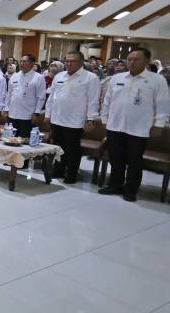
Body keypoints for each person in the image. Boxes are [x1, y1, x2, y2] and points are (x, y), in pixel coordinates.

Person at [99, 48, 169, 202]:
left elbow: (163, 104)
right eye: (129, 59)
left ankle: (130, 190)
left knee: (134, 161)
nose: (131, 62)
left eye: (136, 59)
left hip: (139, 128)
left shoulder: (157, 80)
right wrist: (104, 119)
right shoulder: (117, 78)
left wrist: (158, 124)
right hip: (115, 125)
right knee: (116, 159)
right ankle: (114, 185)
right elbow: (107, 101)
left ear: (147, 61)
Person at [44, 50, 100, 184]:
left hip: (75, 121)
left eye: (73, 61)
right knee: (58, 147)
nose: (69, 64)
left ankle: (71, 174)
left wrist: (91, 119)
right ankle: (58, 170)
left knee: (72, 150)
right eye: (67, 61)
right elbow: (52, 98)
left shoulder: (90, 78)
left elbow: (93, 100)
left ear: (81, 62)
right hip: (57, 118)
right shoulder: (59, 76)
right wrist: (47, 115)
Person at [3, 54, 46, 138]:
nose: (22, 63)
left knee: (24, 139)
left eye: (25, 61)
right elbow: (9, 94)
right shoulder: (15, 76)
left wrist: (36, 113)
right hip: (12, 113)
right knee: (11, 138)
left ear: (32, 63)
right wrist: (6, 109)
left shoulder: (38, 77)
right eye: (21, 61)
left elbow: (41, 97)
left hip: (27, 115)